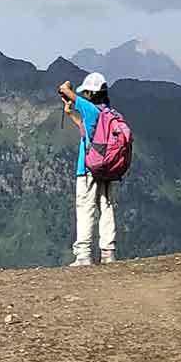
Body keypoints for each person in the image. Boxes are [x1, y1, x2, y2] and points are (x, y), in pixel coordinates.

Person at [58, 73, 119, 266]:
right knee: (106, 207)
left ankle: (83, 254)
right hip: (106, 168)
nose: (83, 95)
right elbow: (86, 130)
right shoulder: (106, 113)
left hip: (87, 169)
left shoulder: (89, 108)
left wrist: (66, 87)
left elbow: (65, 89)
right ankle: (108, 253)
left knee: (85, 209)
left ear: (91, 93)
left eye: (85, 92)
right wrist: (69, 113)